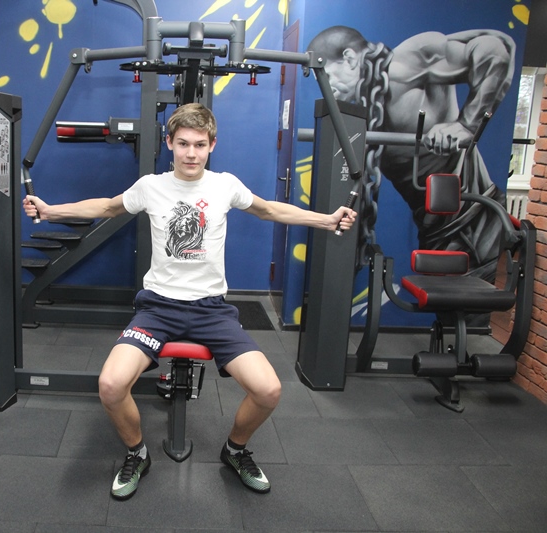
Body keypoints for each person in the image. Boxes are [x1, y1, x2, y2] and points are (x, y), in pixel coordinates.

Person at [23, 103, 356, 500]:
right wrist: (50, 210)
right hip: (158, 308)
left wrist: (326, 219)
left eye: (200, 144)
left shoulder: (225, 186)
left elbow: (269, 210)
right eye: (183, 143)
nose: (191, 153)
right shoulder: (151, 186)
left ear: (212, 145)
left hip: (211, 311)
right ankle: (137, 453)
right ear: (169, 143)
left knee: (268, 390)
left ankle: (235, 450)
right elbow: (108, 206)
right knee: (110, 384)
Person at [307, 26, 515, 284]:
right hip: (434, 230)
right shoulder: (361, 108)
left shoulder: (409, 60)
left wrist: (466, 125)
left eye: (327, 75)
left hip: (476, 222)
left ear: (349, 59)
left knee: (469, 304)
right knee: (445, 303)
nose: (327, 88)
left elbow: (494, 51)